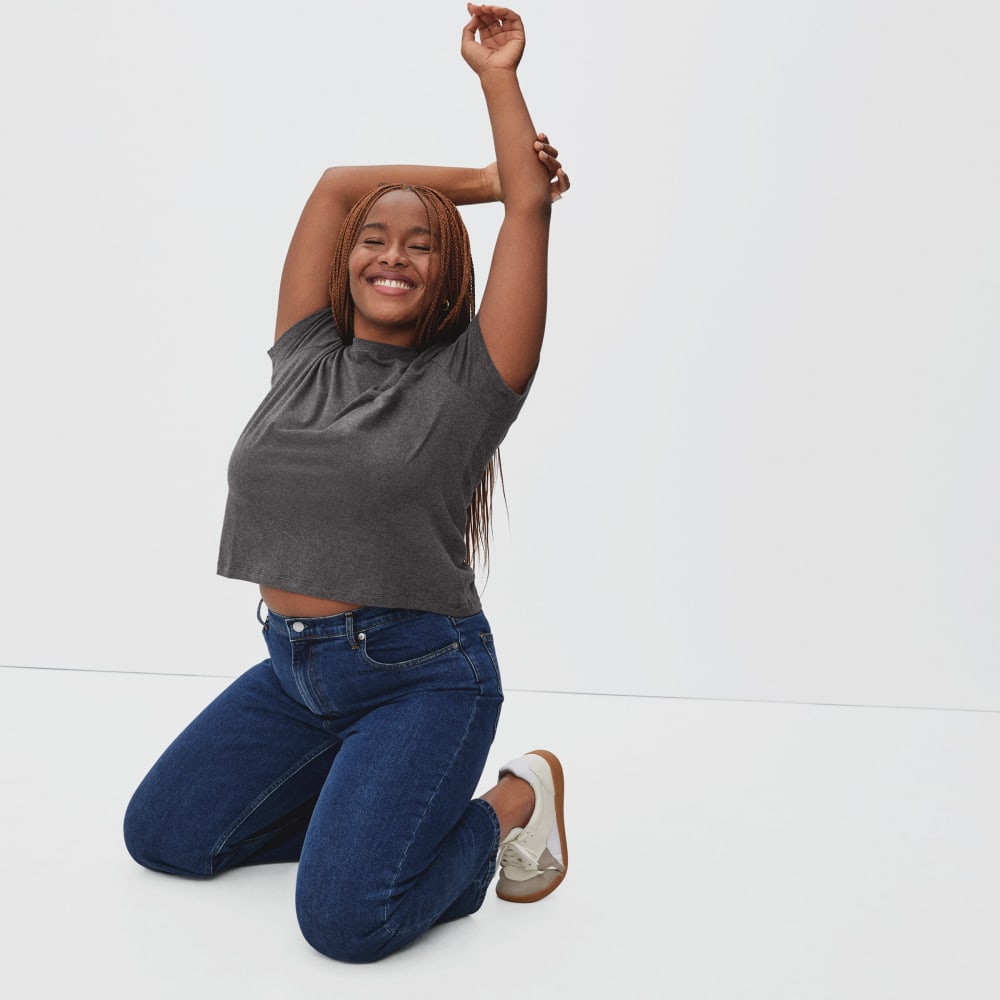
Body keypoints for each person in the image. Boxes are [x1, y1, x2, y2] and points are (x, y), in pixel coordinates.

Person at [123, 4, 570, 963]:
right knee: (164, 837)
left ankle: (511, 801)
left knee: (348, 923)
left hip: (420, 678)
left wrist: (497, 84)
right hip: (293, 672)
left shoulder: (473, 380)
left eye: (422, 243)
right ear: (349, 257)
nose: (393, 255)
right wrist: (482, 182)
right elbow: (334, 186)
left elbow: (532, 212)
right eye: (377, 237)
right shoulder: (304, 353)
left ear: (449, 272)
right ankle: (370, 807)